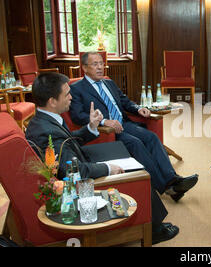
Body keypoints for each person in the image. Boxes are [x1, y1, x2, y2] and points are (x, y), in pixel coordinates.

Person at [26, 72, 179, 244]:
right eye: (66, 94)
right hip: (79, 175)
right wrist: (108, 168)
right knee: (136, 169)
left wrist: (91, 127)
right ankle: (154, 229)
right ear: (52, 101)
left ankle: (154, 204)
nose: (71, 97)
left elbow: (69, 141)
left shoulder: (45, 119)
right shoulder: (47, 132)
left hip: (79, 157)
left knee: (123, 149)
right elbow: (73, 173)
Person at [69, 52, 197, 202]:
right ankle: (167, 187)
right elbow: (77, 116)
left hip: (125, 123)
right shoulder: (77, 88)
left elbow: (124, 101)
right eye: (95, 64)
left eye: (101, 63)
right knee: (136, 143)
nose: (100, 67)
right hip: (108, 131)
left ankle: (173, 179)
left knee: (151, 137)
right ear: (84, 68)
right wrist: (103, 121)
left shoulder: (108, 82)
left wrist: (137, 109)